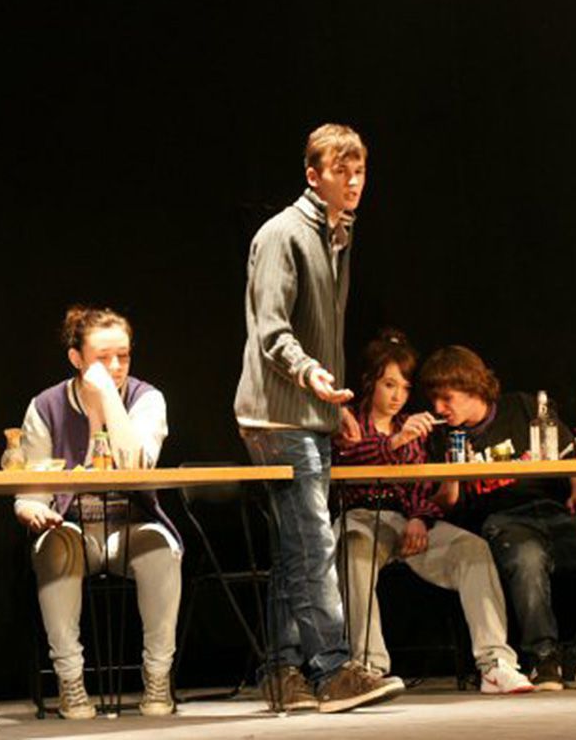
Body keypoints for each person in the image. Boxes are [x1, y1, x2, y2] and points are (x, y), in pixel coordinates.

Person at [234, 123, 404, 714]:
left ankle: (283, 670)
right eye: (341, 172)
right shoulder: (282, 234)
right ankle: (333, 669)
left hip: (309, 412)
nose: (354, 182)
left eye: (360, 172)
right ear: (314, 176)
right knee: (313, 539)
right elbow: (271, 330)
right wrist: (310, 376)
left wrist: (335, 406)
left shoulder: (338, 233)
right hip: (276, 417)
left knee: (295, 546)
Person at [418, 345, 576, 690]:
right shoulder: (441, 436)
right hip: (502, 520)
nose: (438, 408)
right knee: (527, 557)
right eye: (434, 399)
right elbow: (443, 506)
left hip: (554, 511)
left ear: (472, 386)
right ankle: (543, 657)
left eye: (446, 398)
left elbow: (574, 454)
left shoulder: (523, 407)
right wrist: (450, 476)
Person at [332, 330, 534, 694]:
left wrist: (419, 518)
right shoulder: (347, 422)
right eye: (389, 385)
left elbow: (423, 484)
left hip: (406, 521)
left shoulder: (415, 426)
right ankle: (368, 668)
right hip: (362, 517)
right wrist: (396, 442)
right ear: (370, 382)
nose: (397, 396)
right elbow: (350, 463)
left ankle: (495, 663)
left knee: (473, 548)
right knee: (354, 548)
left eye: (405, 387)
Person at [13, 306, 180, 719]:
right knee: (57, 545)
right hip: (73, 528)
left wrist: (107, 397)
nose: (116, 367)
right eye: (103, 358)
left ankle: (158, 677)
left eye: (123, 356)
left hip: (131, 529)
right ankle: (71, 682)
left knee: (162, 547)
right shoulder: (46, 407)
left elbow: (135, 466)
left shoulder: (146, 399)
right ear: (76, 358)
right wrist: (31, 509)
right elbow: (31, 488)